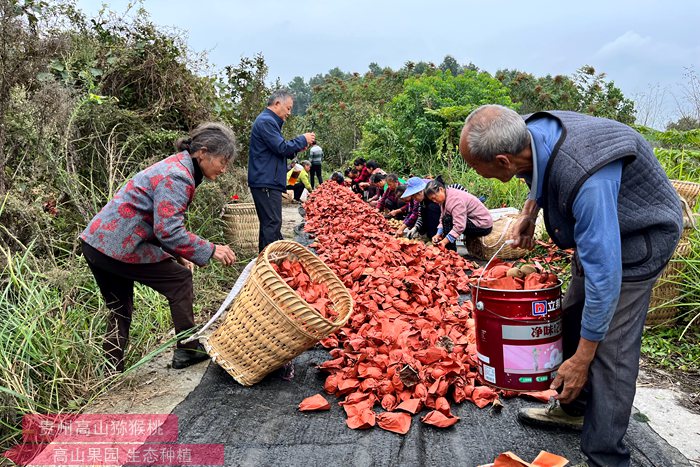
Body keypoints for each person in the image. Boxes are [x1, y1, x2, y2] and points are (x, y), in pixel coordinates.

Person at [459, 105, 683, 467]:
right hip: (600, 230)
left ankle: (605, 456)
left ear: (502, 161)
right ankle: (574, 410)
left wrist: (583, 358)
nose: (475, 174)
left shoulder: (586, 177)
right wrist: (529, 212)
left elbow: (605, 276)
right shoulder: (529, 131)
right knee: (570, 318)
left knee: (609, 350)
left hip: (639, 237)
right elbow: (539, 172)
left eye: (475, 168)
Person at [80, 123, 239, 372]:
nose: (224, 168)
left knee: (120, 307)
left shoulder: (177, 165)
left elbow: (159, 221)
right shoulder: (178, 175)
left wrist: (178, 253)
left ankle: (110, 369)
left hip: (96, 243)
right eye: (223, 160)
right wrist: (211, 249)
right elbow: (169, 231)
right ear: (203, 152)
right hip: (117, 244)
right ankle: (187, 350)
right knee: (180, 280)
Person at [248, 89, 315, 252]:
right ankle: (270, 261)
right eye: (289, 108)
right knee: (272, 224)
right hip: (266, 181)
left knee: (270, 224)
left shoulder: (269, 122)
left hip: (268, 180)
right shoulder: (266, 121)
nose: (289, 113)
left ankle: (266, 260)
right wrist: (302, 139)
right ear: (277, 104)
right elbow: (281, 147)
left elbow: (278, 150)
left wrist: (298, 147)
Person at [424, 179, 492, 251]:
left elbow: (459, 226)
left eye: (434, 198)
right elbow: (442, 217)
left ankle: (451, 252)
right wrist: (438, 234)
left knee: (447, 220)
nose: (434, 201)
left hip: (483, 225)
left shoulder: (455, 199)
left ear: (441, 189)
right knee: (446, 219)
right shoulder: (445, 197)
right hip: (472, 220)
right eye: (432, 200)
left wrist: (444, 242)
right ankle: (449, 251)